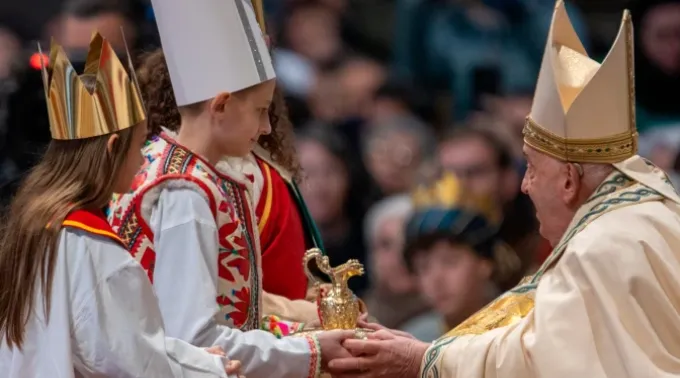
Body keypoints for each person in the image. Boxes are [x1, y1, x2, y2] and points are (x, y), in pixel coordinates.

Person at [327, 3, 680, 377]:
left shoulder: (598, 246)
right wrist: (430, 350)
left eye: (530, 167)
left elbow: (541, 358)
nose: (525, 186)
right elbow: (530, 336)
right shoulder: (655, 212)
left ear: (568, 181)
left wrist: (424, 360)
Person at [107, 1, 353, 377]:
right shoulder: (185, 191)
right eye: (259, 110)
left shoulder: (157, 157)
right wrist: (311, 349)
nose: (267, 128)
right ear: (221, 105)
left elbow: (231, 318)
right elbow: (195, 340)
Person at [0, 33, 241, 378]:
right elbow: (128, 359)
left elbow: (112, 342)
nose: (143, 158)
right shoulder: (92, 244)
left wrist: (197, 359)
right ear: (113, 147)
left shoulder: (33, 218)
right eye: (140, 144)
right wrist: (212, 369)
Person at [402, 173, 520, 341]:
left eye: (450, 262)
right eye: (423, 267)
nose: (437, 278)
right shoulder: (412, 339)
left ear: (484, 263)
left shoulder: (518, 330)